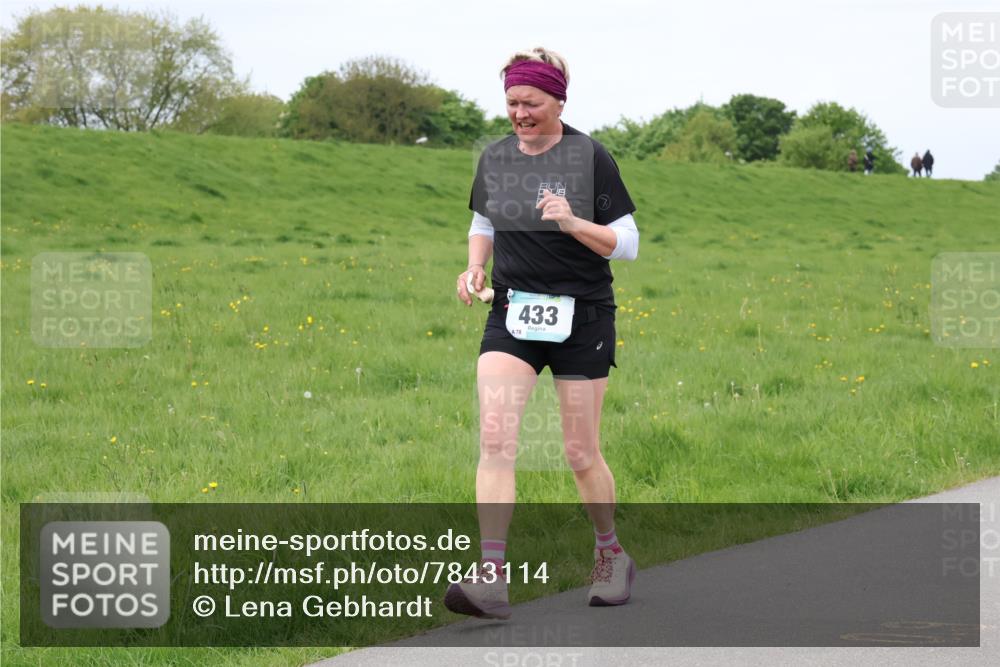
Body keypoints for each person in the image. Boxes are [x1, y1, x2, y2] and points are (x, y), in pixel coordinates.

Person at [445, 47, 640, 619]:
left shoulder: (589, 157)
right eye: (512, 102)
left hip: (583, 316)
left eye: (530, 102)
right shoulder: (496, 158)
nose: (519, 113)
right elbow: (483, 220)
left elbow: (628, 243)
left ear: (558, 101)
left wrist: (574, 222)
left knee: (580, 451)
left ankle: (610, 554)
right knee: (495, 439)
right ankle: (491, 577)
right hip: (514, 312)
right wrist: (475, 266)